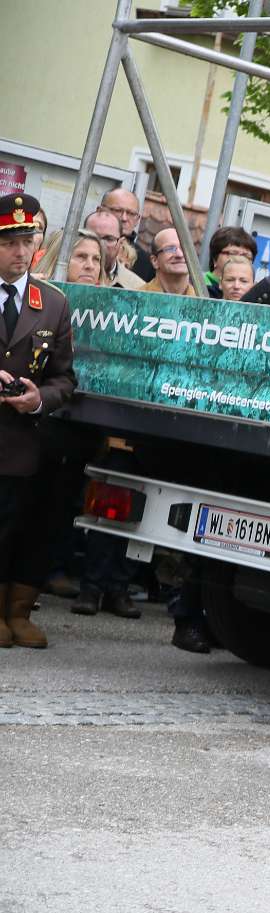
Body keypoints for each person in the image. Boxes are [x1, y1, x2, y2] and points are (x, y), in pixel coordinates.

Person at [0, 194, 76, 649]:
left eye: (28, 241)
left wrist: (38, 399)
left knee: (20, 525)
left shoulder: (51, 303)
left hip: (22, 441)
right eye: (10, 241)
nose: (21, 251)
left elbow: (65, 378)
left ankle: (16, 610)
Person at [82, 210, 144, 290]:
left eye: (109, 239)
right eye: (93, 237)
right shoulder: (64, 274)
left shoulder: (137, 288)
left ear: (120, 243)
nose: (100, 244)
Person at [99, 187, 150, 282]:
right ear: (100, 211)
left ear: (137, 220)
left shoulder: (146, 262)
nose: (124, 218)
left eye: (131, 213)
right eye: (117, 210)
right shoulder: (78, 245)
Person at [35, 231, 106, 287]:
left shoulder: (112, 301)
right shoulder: (31, 294)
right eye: (81, 256)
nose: (90, 266)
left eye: (96, 259)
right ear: (55, 259)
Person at [138, 228, 196, 296]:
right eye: (170, 249)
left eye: (184, 248)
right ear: (154, 261)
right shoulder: (136, 300)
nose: (180, 255)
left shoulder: (205, 302)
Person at [204, 226, 257, 299]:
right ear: (214, 259)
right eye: (232, 253)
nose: (238, 259)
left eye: (246, 256)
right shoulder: (196, 285)